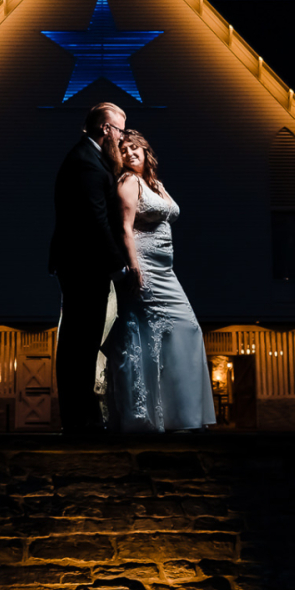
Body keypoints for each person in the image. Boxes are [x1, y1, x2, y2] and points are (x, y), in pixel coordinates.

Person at [101, 130, 216, 433]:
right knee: (154, 334)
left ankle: (182, 414)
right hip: (146, 268)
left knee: (185, 331)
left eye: (134, 147)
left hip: (167, 271)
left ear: (145, 150)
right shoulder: (128, 182)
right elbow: (124, 228)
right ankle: (145, 414)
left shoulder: (156, 184)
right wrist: (133, 266)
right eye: (123, 149)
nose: (129, 153)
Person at [48, 102, 128, 434]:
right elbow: (96, 222)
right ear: (105, 129)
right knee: (80, 342)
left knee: (81, 340)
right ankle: (77, 418)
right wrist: (118, 265)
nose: (123, 138)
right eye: (120, 130)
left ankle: (79, 416)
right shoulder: (87, 164)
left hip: (81, 264)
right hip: (84, 265)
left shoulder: (90, 158)